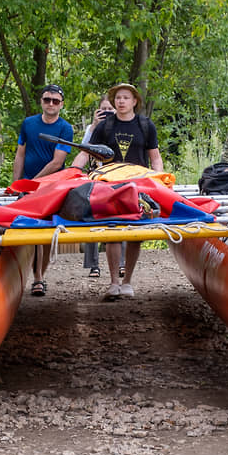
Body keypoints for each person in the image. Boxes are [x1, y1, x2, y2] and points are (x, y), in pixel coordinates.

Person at [71, 83, 163, 300]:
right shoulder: (105, 126)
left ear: (134, 101)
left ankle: (127, 282)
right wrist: (74, 172)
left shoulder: (146, 125)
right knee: (112, 232)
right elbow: (86, 153)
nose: (121, 101)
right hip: (109, 185)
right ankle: (113, 283)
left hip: (138, 185)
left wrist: (158, 180)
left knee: (135, 234)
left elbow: (155, 158)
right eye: (118, 98)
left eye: (125, 98)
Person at [13, 84, 75, 297]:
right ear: (41, 101)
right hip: (27, 186)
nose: (51, 104)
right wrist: (16, 183)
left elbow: (57, 162)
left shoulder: (65, 129)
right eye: (47, 99)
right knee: (29, 231)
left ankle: (39, 277)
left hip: (52, 187)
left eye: (55, 101)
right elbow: (20, 154)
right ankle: (30, 275)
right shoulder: (28, 124)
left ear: (61, 104)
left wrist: (33, 184)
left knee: (46, 233)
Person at [81, 95, 116, 278]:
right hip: (96, 177)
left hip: (116, 178)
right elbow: (85, 149)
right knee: (92, 217)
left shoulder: (121, 128)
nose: (107, 113)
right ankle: (93, 264)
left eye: (110, 110)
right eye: (104, 110)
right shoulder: (92, 128)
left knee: (119, 218)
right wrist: (94, 126)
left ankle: (120, 263)